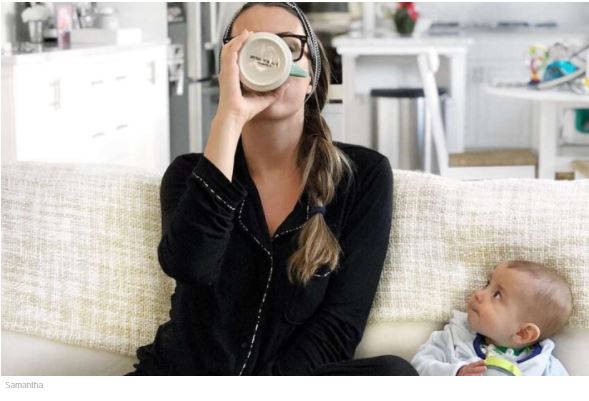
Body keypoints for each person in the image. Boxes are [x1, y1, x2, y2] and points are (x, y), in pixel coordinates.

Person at [126, 2, 416, 376]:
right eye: (252, 47)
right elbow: (190, 265)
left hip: (291, 387)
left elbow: (340, 325)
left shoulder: (363, 175)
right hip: (187, 380)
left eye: (289, 44)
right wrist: (229, 116)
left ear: (311, 76)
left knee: (394, 375)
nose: (271, 57)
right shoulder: (188, 175)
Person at [411, 260, 573, 376]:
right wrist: (455, 372)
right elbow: (418, 366)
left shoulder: (544, 368)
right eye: (487, 284)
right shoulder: (455, 337)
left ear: (523, 333)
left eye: (496, 295)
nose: (479, 294)